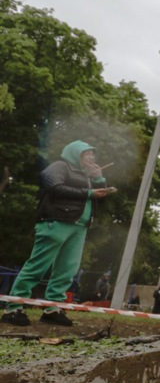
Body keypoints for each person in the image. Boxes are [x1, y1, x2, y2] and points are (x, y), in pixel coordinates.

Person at [1, 140, 115, 327]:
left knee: (67, 270)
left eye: (93, 154)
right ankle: (14, 307)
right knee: (37, 266)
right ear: (75, 154)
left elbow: (99, 201)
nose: (91, 157)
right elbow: (54, 187)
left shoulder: (88, 177)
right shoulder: (60, 166)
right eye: (87, 154)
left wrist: (99, 179)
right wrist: (88, 192)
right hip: (55, 223)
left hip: (79, 227)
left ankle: (53, 308)